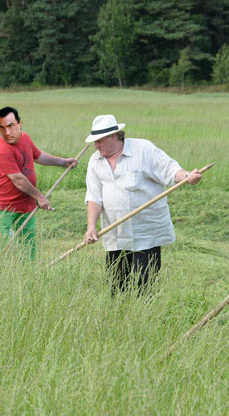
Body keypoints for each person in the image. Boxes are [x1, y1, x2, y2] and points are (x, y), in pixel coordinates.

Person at [83, 114, 202, 295]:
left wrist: (186, 176)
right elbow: (94, 197)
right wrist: (91, 226)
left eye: (99, 141)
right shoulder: (95, 161)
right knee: (116, 286)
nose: (96, 146)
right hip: (115, 233)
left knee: (144, 286)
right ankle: (119, 317)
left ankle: (143, 317)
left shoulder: (143, 149)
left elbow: (169, 169)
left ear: (114, 136)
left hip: (146, 233)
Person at [0, 106, 78, 258]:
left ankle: (28, 274)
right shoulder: (0, 150)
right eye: (2, 128)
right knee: (0, 246)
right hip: (3, 206)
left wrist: (63, 162)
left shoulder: (25, 138)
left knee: (28, 246)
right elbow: (18, 179)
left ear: (19, 124)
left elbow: (39, 156)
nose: (7, 132)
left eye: (11, 126)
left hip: (25, 204)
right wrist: (39, 197)